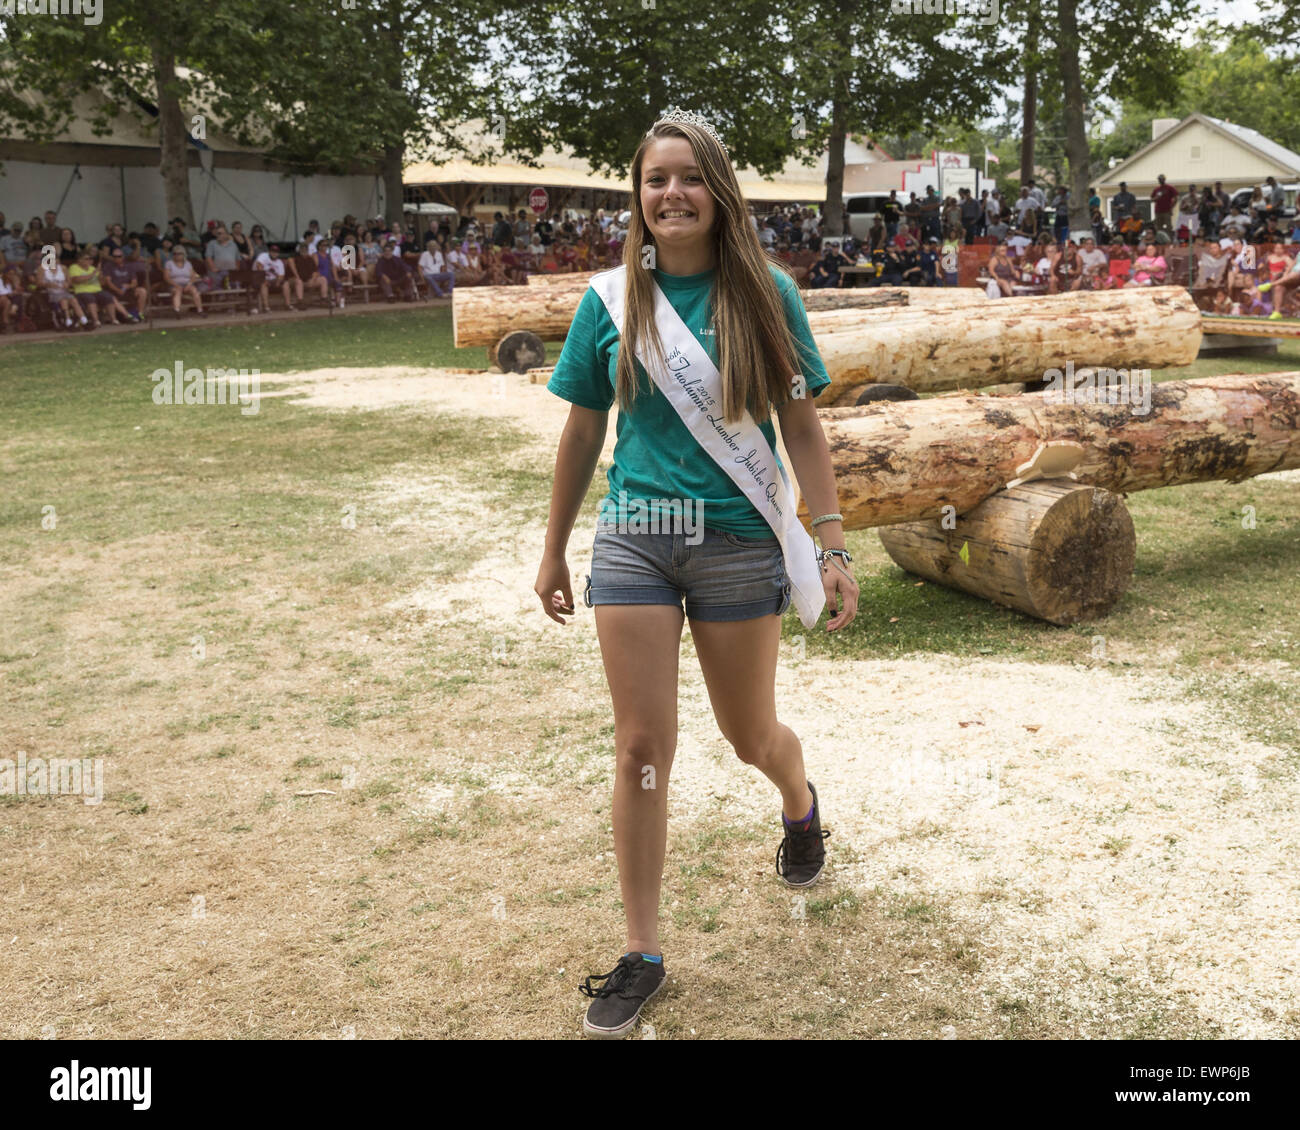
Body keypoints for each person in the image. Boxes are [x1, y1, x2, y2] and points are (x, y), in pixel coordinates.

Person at [535, 109, 858, 1039]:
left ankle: (798, 804)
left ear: (717, 192)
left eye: (687, 177)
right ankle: (642, 951)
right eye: (653, 179)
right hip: (635, 536)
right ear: (637, 195)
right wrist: (554, 545)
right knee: (640, 750)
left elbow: (801, 428)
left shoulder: (767, 297)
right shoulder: (608, 302)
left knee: (749, 733)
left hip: (736, 542)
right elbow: (583, 428)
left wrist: (830, 545)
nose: (669, 194)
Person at [100, 246, 147, 321]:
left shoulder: (129, 265)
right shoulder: (108, 266)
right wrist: (118, 290)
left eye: (119, 256)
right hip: (114, 291)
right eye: (114, 256)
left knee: (142, 291)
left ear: (123, 257)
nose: (117, 258)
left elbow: (134, 282)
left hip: (128, 290)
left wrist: (128, 286)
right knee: (110, 297)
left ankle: (140, 314)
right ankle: (128, 316)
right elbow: (108, 282)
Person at [39, 255, 87, 329]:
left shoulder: (63, 268)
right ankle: (67, 320)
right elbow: (39, 283)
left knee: (73, 300)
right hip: (51, 292)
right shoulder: (42, 269)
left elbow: (69, 281)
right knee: (63, 300)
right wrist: (48, 284)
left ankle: (84, 320)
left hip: (63, 291)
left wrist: (67, 284)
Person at [254, 245, 299, 312]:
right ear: (269, 251)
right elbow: (259, 266)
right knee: (264, 284)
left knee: (285, 283)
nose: (274, 253)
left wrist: (278, 281)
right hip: (260, 278)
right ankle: (266, 308)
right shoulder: (264, 255)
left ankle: (288, 305)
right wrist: (264, 279)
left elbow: (281, 276)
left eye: (276, 252)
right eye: (273, 251)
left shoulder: (279, 262)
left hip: (273, 280)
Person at [164, 246, 206, 315]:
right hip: (173, 285)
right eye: (175, 254)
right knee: (178, 291)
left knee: (195, 291)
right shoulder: (169, 263)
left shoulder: (188, 264)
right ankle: (177, 310)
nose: (177, 255)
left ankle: (200, 310)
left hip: (187, 284)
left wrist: (189, 284)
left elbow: (193, 276)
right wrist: (177, 285)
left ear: (183, 254)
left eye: (179, 253)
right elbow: (166, 278)